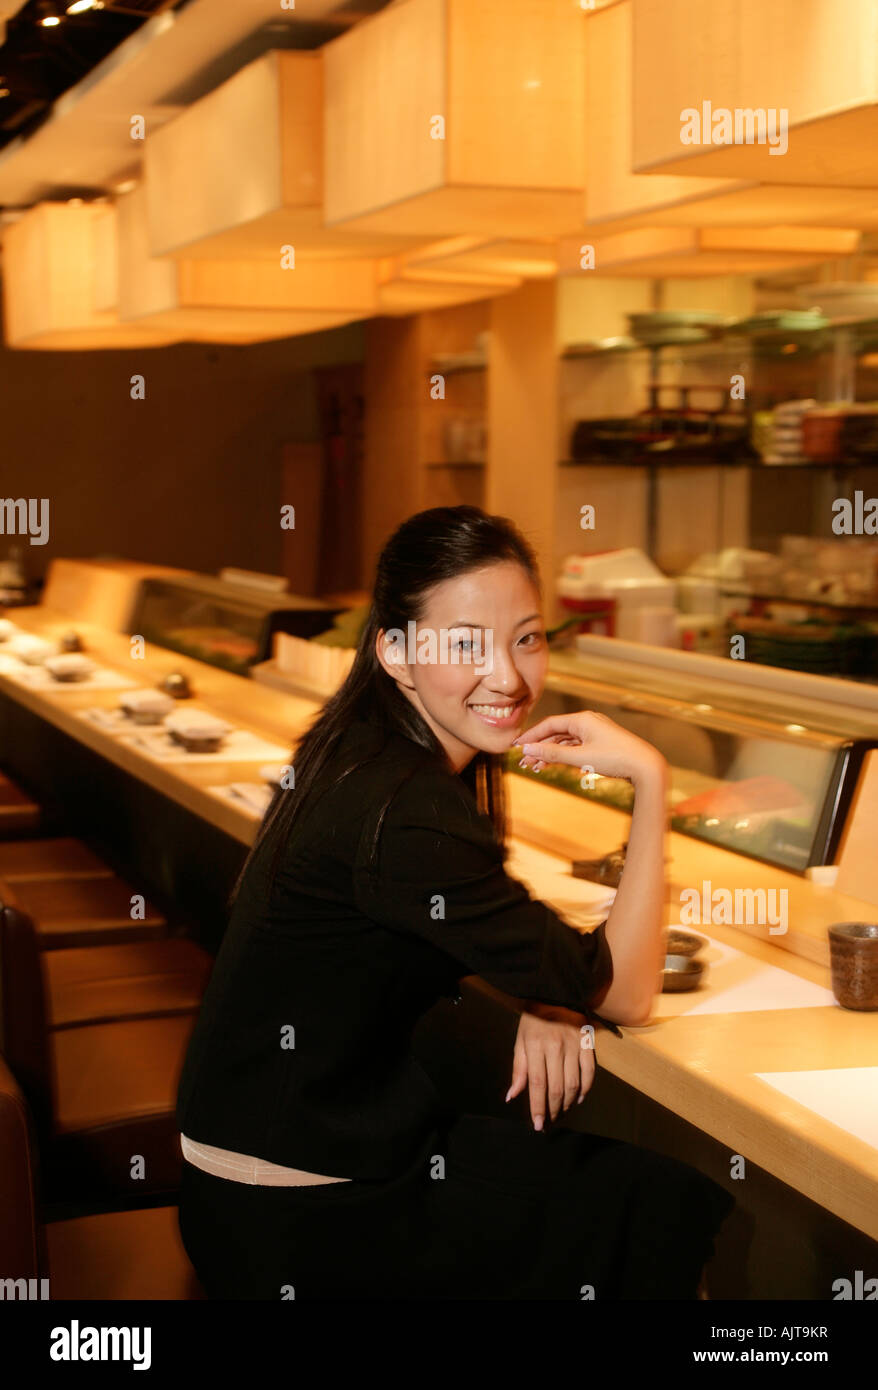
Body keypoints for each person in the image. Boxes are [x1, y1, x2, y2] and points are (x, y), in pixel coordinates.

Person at [176, 505, 734, 1300]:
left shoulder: (361, 746)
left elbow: (477, 926)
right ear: (396, 653)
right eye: (466, 643)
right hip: (301, 1216)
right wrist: (650, 778)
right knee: (655, 1204)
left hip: (254, 1164)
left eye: (528, 638)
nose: (507, 676)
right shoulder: (406, 805)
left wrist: (553, 991)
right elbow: (631, 990)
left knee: (601, 1191)